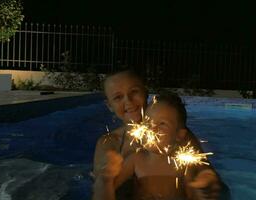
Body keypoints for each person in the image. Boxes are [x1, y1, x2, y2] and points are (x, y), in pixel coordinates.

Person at [92, 70, 226, 200]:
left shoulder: (179, 136)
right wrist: (106, 177)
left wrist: (206, 182)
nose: (129, 101)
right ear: (109, 105)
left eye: (134, 92)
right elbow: (99, 188)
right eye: (118, 97)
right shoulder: (109, 143)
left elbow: (206, 173)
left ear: (145, 93)